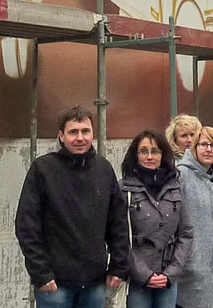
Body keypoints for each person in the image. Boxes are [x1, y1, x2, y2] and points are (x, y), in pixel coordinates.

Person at [15, 105, 129, 308]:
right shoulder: (43, 170)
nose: (80, 138)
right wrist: (41, 273)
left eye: (85, 131)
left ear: (92, 133)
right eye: (73, 132)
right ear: (61, 136)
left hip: (95, 284)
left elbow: (118, 223)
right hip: (55, 285)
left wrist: (119, 266)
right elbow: (26, 226)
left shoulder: (104, 169)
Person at [119, 130, 194, 308]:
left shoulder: (175, 187)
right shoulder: (124, 188)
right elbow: (119, 237)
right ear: (135, 155)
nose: (150, 156)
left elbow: (186, 233)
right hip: (136, 280)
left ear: (163, 154)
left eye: (155, 151)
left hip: (167, 278)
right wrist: (143, 274)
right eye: (144, 151)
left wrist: (171, 272)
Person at [175, 125, 213, 308]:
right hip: (192, 271)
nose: (209, 149)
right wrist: (187, 258)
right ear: (194, 148)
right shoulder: (181, 175)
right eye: (203, 144)